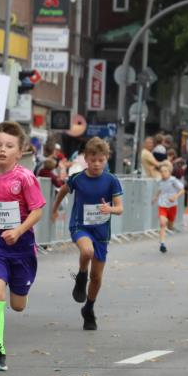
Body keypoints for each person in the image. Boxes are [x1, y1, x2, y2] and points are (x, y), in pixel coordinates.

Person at [0, 121, 45, 371]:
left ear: (20, 151)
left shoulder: (25, 178)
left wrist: (19, 230)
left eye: (9, 146)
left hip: (22, 246)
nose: (3, 150)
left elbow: (37, 211)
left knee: (17, 305)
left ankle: (20, 286)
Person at [50, 137, 124, 331]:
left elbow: (120, 208)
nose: (96, 164)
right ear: (86, 159)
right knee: (87, 251)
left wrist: (110, 209)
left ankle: (89, 308)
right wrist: (54, 209)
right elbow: (62, 191)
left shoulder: (111, 181)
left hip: (101, 232)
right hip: (80, 226)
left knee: (97, 277)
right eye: (93, 160)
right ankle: (81, 275)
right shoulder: (78, 178)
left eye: (101, 160)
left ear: (106, 159)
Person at [153, 161, 185, 253]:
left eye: (165, 171)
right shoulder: (160, 181)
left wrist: (175, 196)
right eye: (162, 171)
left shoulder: (173, 180)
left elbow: (182, 190)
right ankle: (162, 244)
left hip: (172, 206)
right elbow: (160, 190)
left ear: (169, 172)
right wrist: (155, 197)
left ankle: (170, 227)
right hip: (162, 204)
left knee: (170, 226)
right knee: (162, 223)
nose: (163, 173)